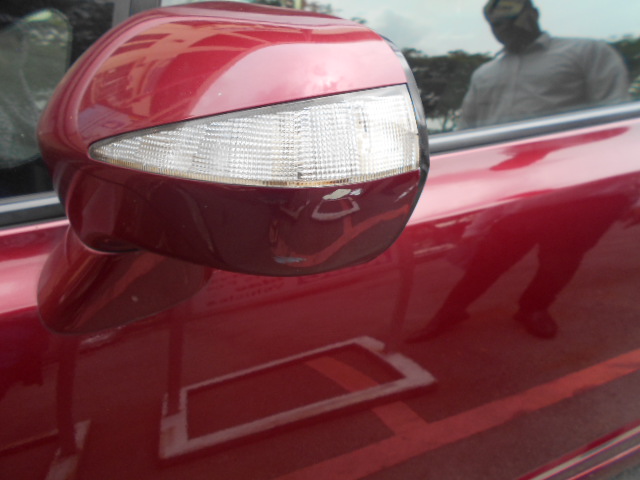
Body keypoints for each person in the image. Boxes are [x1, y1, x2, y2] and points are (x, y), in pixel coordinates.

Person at [458, 0, 630, 129]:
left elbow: (614, 112)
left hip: (570, 157)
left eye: (513, 19)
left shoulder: (587, 51)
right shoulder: (483, 75)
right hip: (497, 161)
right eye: (496, 24)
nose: (504, 28)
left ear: (534, 14)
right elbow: (467, 129)